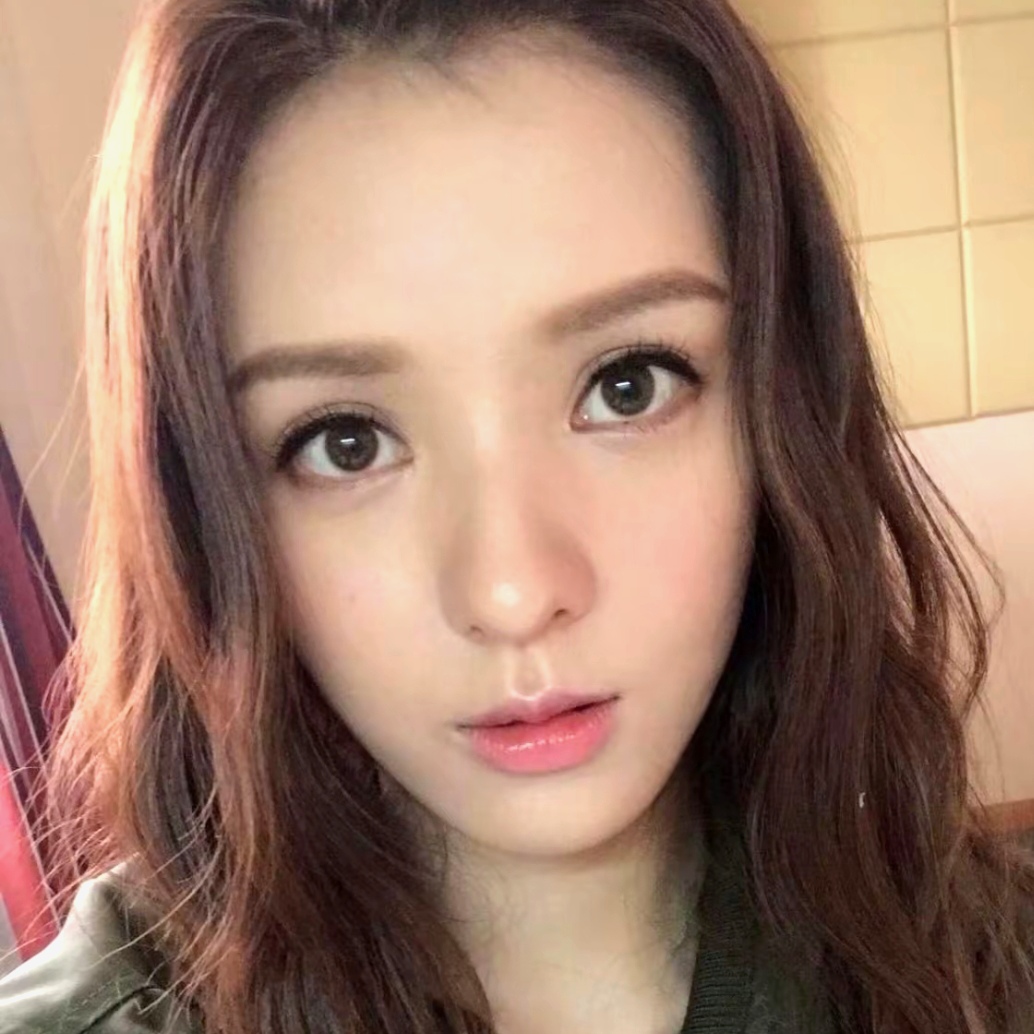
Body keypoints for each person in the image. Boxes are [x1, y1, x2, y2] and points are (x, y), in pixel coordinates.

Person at [2, 0, 1033, 1031]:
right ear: (205, 507)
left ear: (782, 403)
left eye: (627, 385)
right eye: (345, 442)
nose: (512, 591)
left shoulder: (984, 968)